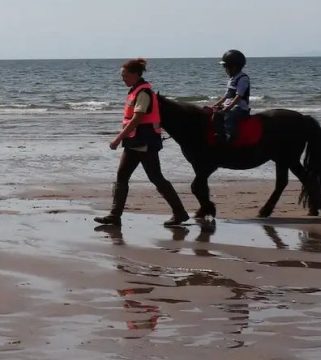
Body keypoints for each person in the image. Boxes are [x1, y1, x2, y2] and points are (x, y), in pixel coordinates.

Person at [95, 58, 190, 229]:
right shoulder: (135, 90)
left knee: (156, 178)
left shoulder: (143, 92)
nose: (122, 79)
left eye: (124, 76)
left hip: (145, 142)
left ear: (134, 75)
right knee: (122, 176)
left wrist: (118, 138)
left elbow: (137, 118)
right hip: (134, 142)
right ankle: (114, 216)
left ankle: (180, 212)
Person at [211, 49, 251, 144]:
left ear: (234, 67)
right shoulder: (232, 79)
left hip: (240, 108)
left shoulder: (243, 78)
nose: (225, 69)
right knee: (216, 114)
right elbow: (226, 96)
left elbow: (239, 96)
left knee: (230, 116)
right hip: (230, 106)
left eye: (226, 66)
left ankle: (231, 136)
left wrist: (229, 107)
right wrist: (215, 105)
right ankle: (220, 135)